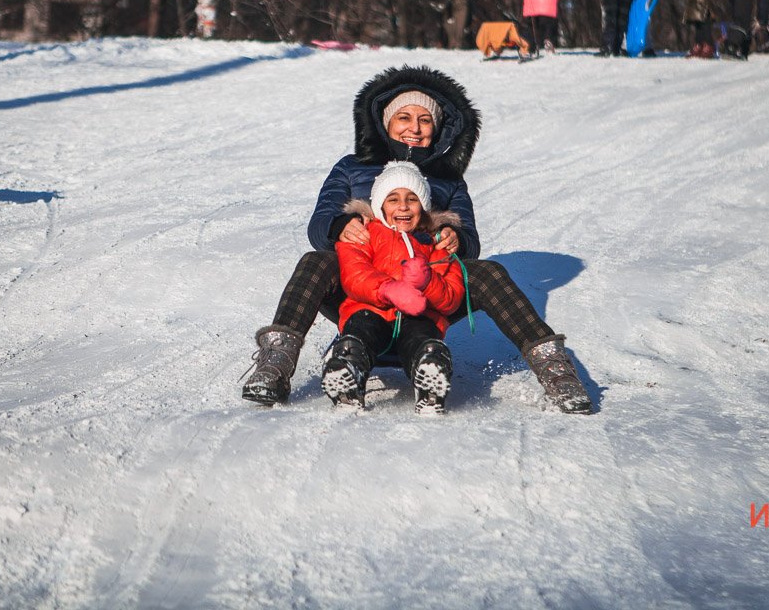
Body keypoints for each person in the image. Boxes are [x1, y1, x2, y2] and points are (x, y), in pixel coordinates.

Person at [243, 65, 592, 414]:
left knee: (489, 272)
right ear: (386, 121)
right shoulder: (351, 167)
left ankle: (555, 369)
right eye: (404, 117)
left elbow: (470, 242)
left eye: (425, 120)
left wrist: (455, 237)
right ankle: (276, 362)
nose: (414, 128)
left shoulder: (449, 181)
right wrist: (339, 225)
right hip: (363, 288)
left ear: (436, 128)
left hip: (427, 291)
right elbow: (319, 225)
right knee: (316, 261)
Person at [323, 160, 465, 414]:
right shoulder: (364, 233)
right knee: (361, 330)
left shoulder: (437, 243)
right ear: (380, 205)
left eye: (412, 199)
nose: (403, 206)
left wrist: (428, 282)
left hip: (419, 315)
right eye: (393, 199)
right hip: (371, 308)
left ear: (423, 206)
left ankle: (430, 376)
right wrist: (388, 289)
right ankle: (348, 370)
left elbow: (451, 297)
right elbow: (355, 274)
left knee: (422, 337)